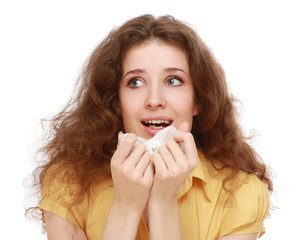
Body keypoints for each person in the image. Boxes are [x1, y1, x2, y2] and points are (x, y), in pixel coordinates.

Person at [27, 14, 273, 240]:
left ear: (198, 100)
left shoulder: (240, 193)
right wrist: (126, 205)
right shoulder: (69, 183)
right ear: (116, 103)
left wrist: (163, 202)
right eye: (135, 82)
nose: (154, 100)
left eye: (173, 80)